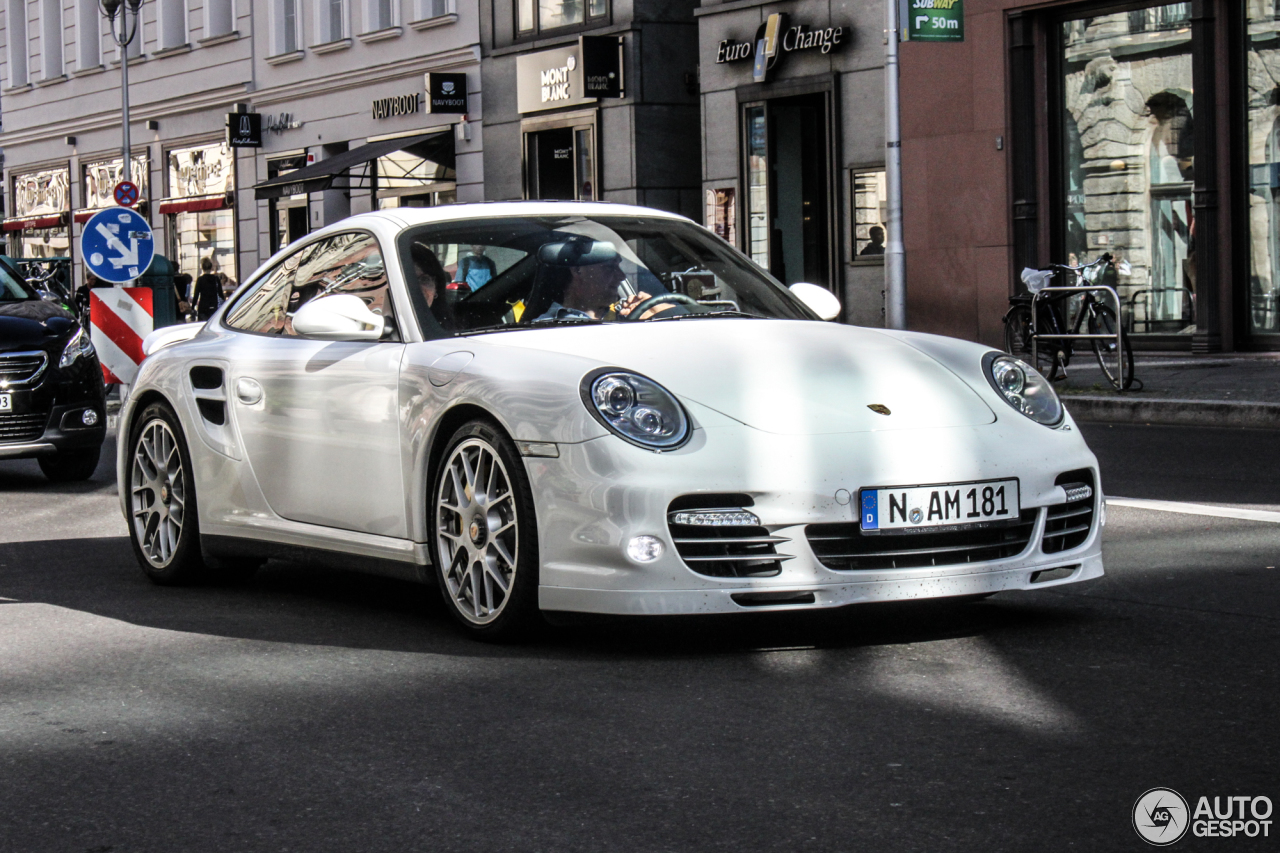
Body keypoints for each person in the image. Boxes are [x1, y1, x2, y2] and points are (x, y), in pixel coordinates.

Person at [534, 240, 675, 322]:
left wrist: (659, 312)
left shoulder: (624, 314)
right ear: (577, 270)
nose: (622, 276)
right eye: (609, 268)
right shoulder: (545, 327)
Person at [411, 243, 452, 329]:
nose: (418, 289)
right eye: (410, 280)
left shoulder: (446, 327)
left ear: (436, 286)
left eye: (424, 280)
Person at [191, 257, 222, 321]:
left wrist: (193, 307)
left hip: (203, 307)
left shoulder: (200, 279)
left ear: (202, 268)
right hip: (214, 306)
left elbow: (196, 294)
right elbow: (220, 293)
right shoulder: (216, 279)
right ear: (211, 267)